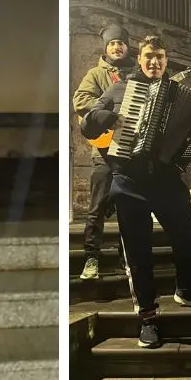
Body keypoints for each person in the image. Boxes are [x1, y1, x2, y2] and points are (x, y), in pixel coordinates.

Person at [82, 35, 191, 350]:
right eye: (149, 57)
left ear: (167, 61)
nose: (154, 62)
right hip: (129, 179)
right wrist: (109, 117)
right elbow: (88, 125)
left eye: (160, 57)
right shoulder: (119, 90)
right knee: (138, 254)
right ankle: (148, 318)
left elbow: (189, 150)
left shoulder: (181, 95)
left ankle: (186, 288)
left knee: (185, 238)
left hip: (167, 179)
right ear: (139, 60)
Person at [71, 24, 131, 279]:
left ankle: (126, 258)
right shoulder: (96, 74)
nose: (117, 47)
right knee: (96, 207)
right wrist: (107, 114)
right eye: (112, 44)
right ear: (106, 48)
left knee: (129, 208)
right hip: (104, 149)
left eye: (121, 43)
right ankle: (92, 258)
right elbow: (80, 100)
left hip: (129, 149)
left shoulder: (136, 73)